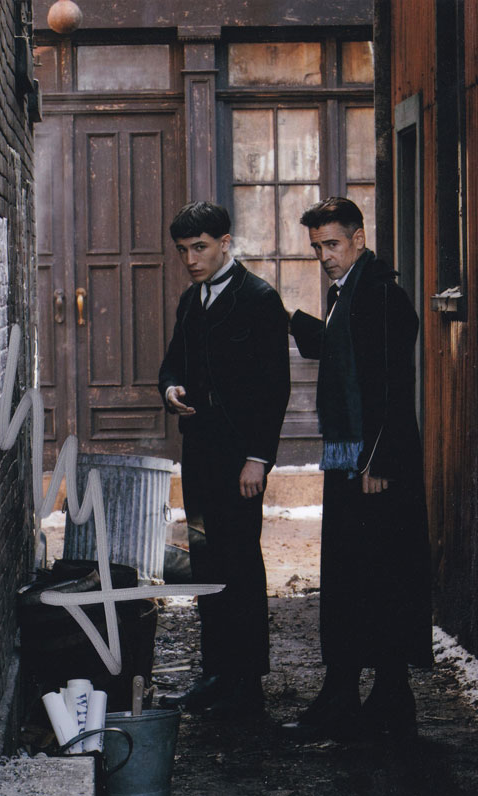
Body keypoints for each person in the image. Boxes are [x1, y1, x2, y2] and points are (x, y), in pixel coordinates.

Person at [284, 197, 432, 740]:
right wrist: (295, 322)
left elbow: (393, 384)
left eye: (333, 244)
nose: (324, 255)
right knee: (352, 574)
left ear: (359, 238)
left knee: (384, 575)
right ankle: (348, 692)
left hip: (377, 465)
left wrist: (378, 460)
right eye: (318, 246)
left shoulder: (384, 295)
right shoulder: (346, 294)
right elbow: (345, 352)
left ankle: (389, 699)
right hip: (353, 460)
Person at [158, 201, 291, 716]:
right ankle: (216, 673)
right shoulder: (191, 302)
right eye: (183, 251)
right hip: (200, 454)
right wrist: (169, 388)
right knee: (205, 557)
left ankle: (247, 683)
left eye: (201, 248)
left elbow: (274, 388)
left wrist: (258, 457)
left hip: (241, 458)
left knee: (240, 559)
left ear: (225, 243)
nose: (191, 259)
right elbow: (172, 362)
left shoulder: (259, 299)